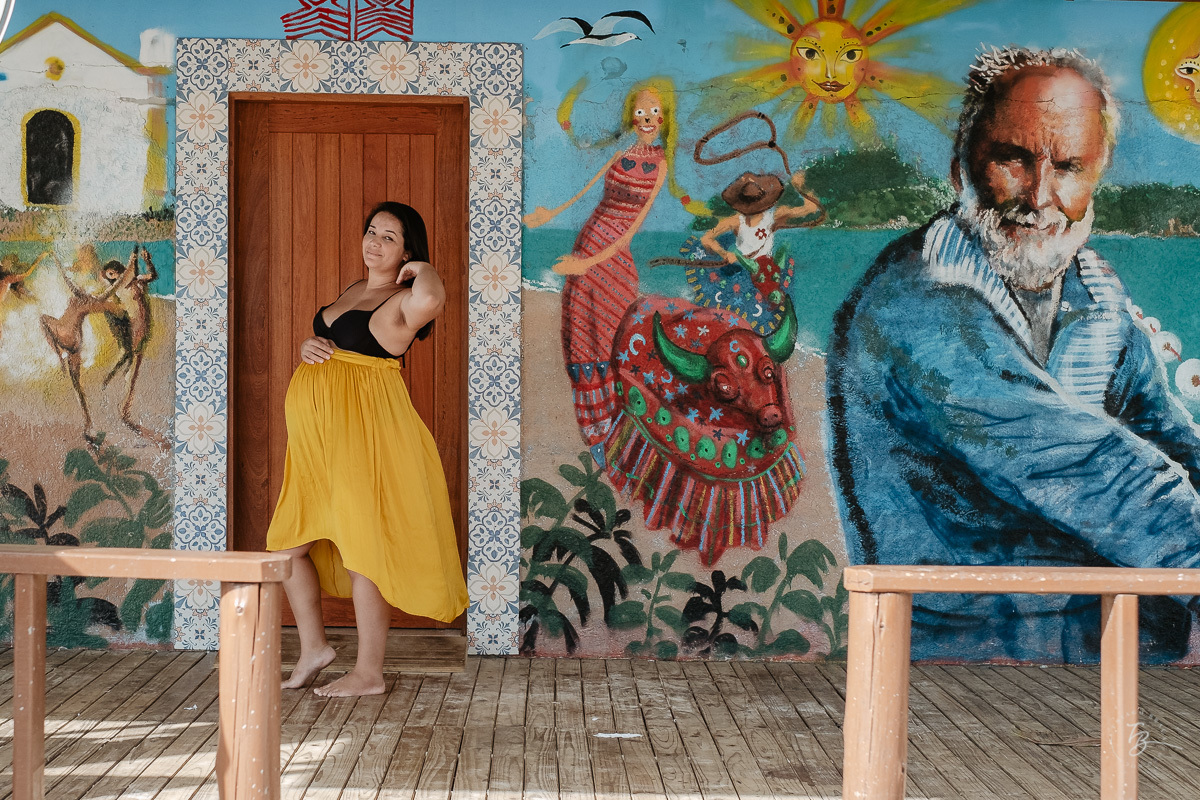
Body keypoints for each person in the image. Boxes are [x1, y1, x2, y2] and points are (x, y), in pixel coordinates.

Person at [827, 47, 1200, 664]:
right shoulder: (916, 303)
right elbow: (1081, 464)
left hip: (1117, 646)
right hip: (967, 662)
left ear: (1098, 173)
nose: (1040, 195)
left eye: (1070, 166)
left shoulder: (1097, 299)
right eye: (1013, 159)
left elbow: (1169, 440)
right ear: (962, 162)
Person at [267, 201, 468, 697]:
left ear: (406, 251)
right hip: (318, 445)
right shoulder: (356, 289)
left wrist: (427, 270)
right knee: (287, 544)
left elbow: (433, 302)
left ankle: (369, 672)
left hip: (365, 437)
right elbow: (333, 342)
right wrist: (307, 348)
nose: (374, 242)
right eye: (372, 232)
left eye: (390, 237)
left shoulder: (405, 300)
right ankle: (315, 648)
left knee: (363, 551)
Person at [524, 77, 701, 465]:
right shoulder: (620, 155)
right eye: (640, 111)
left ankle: (614, 433)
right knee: (580, 338)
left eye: (654, 111)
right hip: (588, 242)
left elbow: (631, 230)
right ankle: (592, 432)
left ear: (665, 118)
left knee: (607, 341)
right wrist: (548, 214)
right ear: (631, 117)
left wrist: (588, 263)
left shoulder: (661, 164)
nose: (647, 118)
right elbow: (585, 191)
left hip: (611, 262)